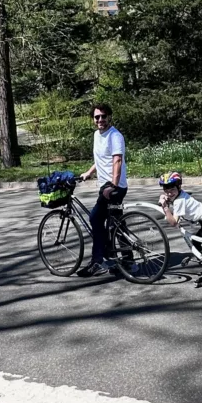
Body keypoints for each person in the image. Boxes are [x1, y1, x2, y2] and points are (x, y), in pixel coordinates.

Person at [77, 103, 128, 278]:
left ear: (109, 117)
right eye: (97, 117)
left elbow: (117, 161)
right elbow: (101, 159)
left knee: (95, 219)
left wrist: (112, 185)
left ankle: (98, 261)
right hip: (107, 186)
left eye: (103, 116)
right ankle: (127, 262)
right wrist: (89, 173)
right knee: (116, 224)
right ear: (93, 119)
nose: (100, 120)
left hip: (114, 187)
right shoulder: (96, 135)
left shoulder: (115, 136)